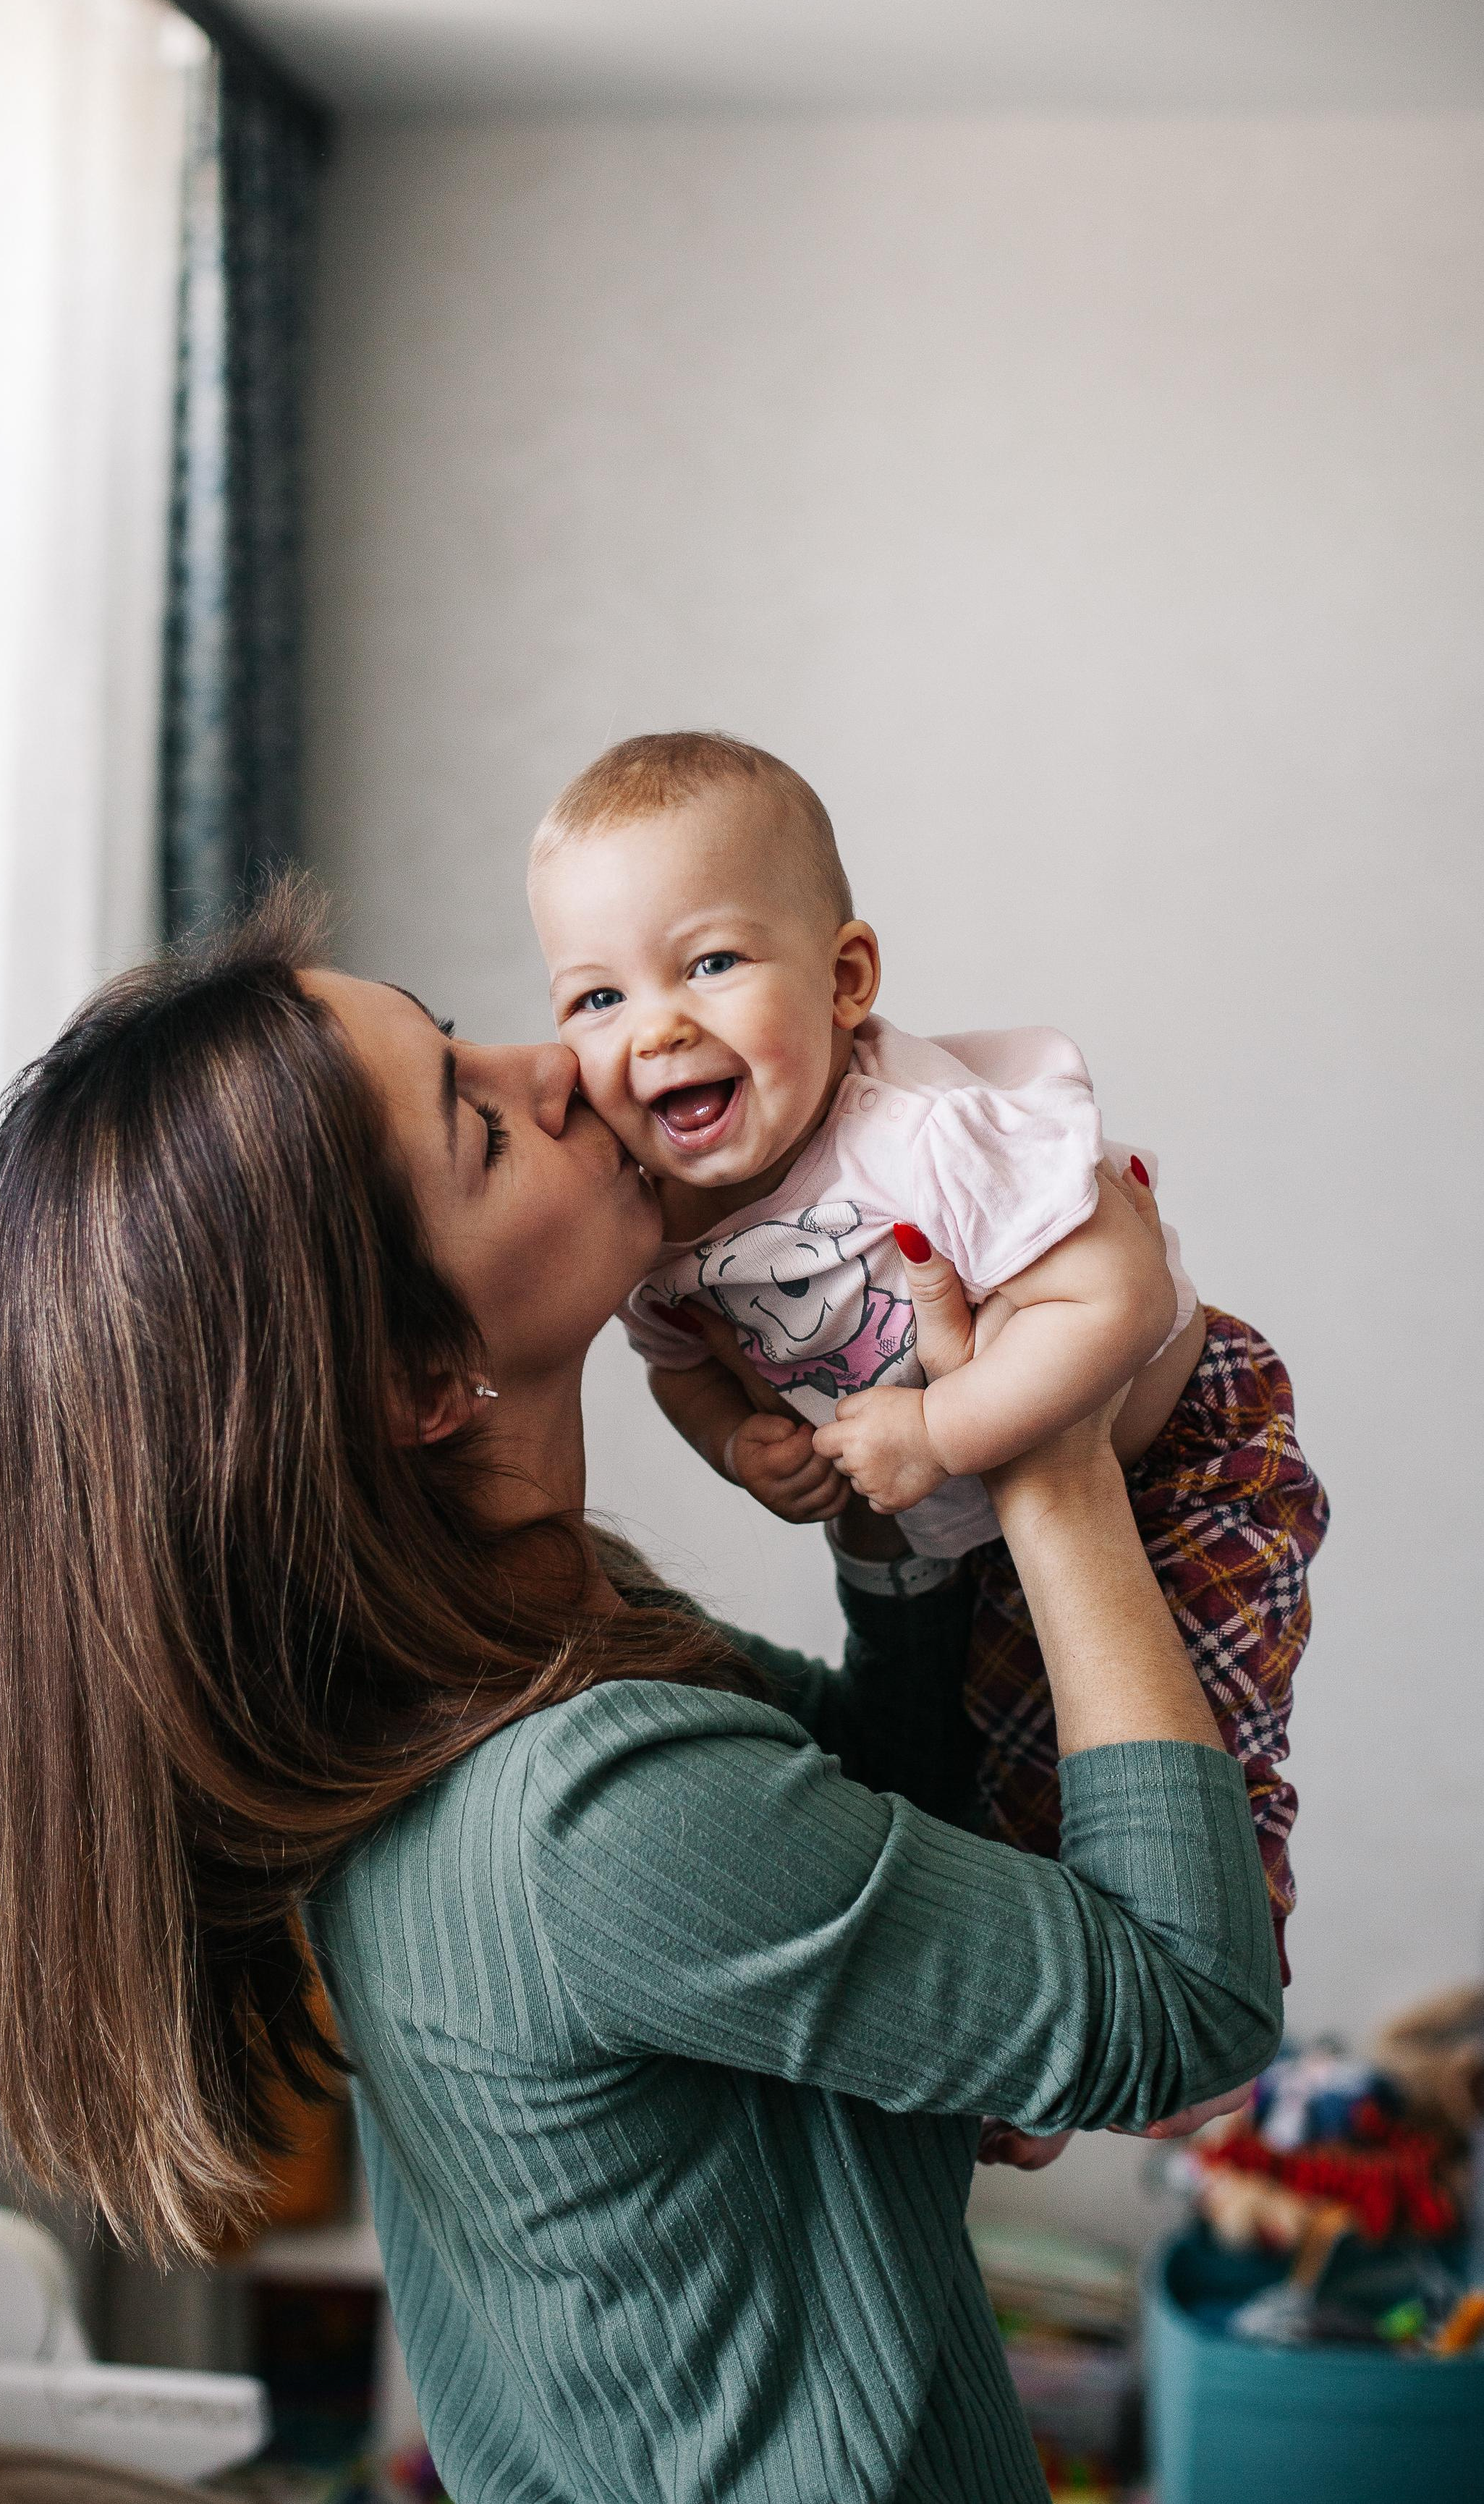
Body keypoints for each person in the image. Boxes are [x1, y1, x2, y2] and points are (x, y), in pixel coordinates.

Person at [0, 884, 1281, 2504]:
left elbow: (871, 1814)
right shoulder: (583, 1811)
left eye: (461, 1039)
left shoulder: (491, 1651)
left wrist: (894, 1513)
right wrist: (1052, 1464)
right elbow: (1191, 2012)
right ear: (417, 1381)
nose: (561, 1066)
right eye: (476, 1125)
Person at [529, 730, 1328, 1979]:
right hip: (982, 1535)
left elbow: (1116, 1294)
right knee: (1021, 1791)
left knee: (1196, 1745)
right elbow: (677, 1362)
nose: (656, 1028)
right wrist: (739, 1444)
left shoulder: (921, 1137)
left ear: (845, 978)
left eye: (712, 963)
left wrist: (938, 1432)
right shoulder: (658, 1223)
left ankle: (1227, 1983)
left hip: (1179, 1463)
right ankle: (1095, 2030)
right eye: (597, 998)